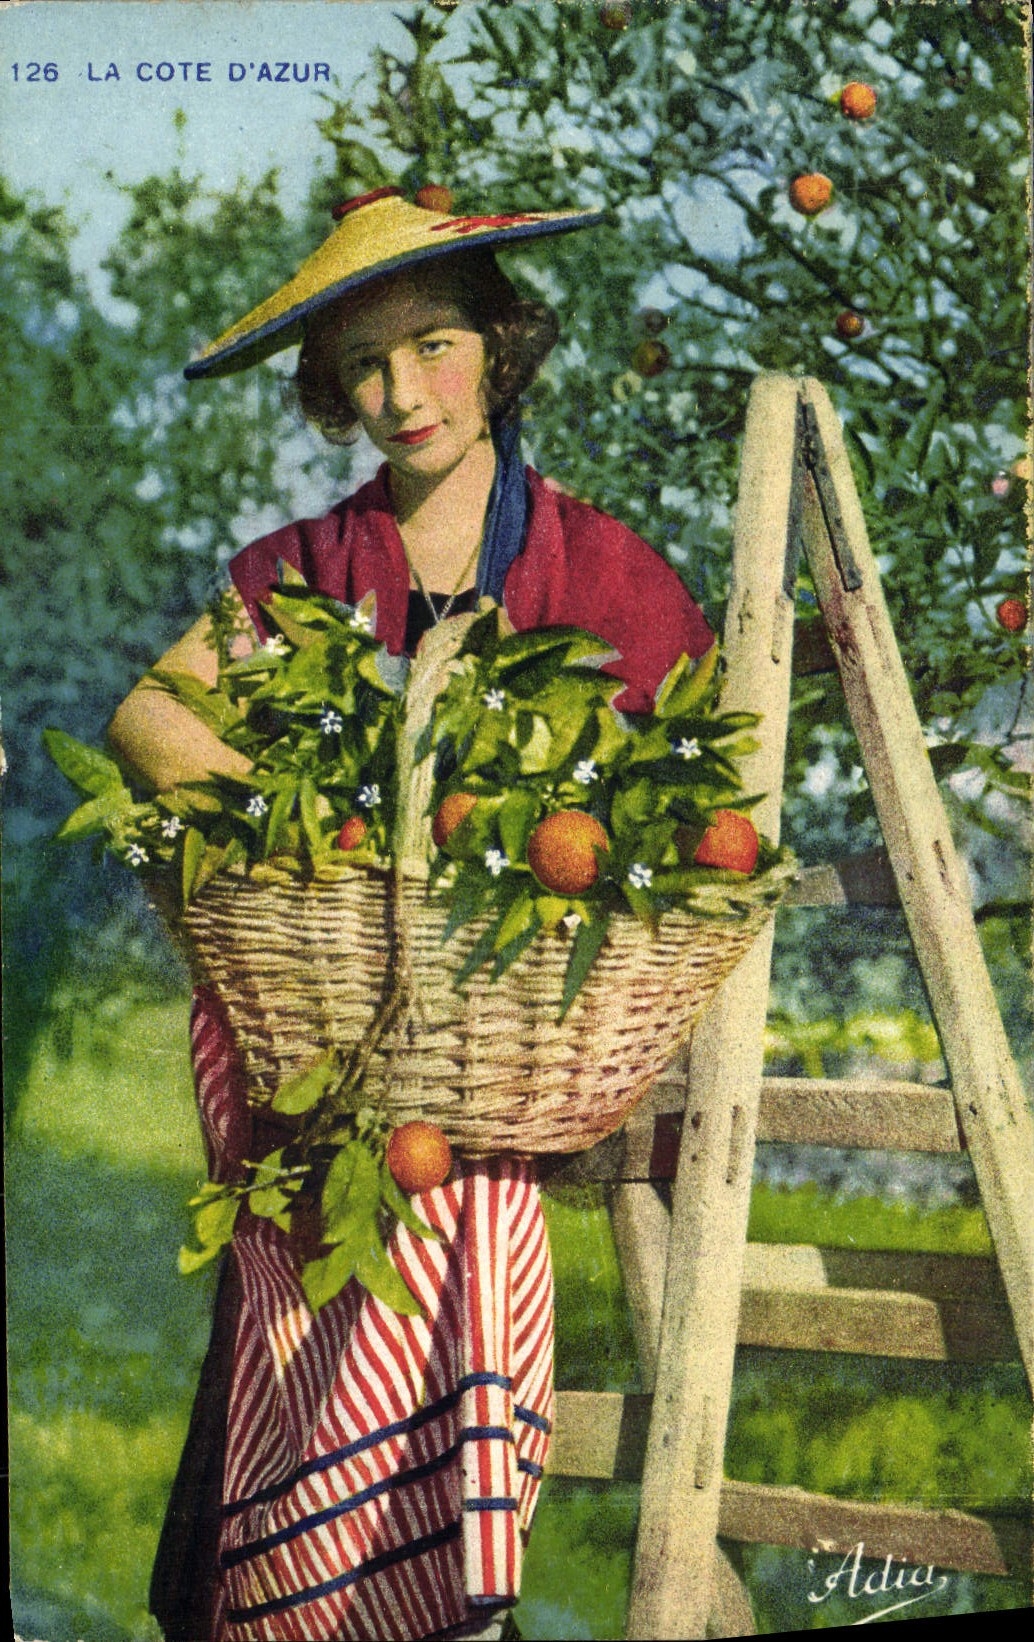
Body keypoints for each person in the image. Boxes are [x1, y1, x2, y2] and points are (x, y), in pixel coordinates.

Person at [109, 188, 714, 1642]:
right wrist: (313, 824)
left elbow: (681, 813)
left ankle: (426, 1596)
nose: (402, 392)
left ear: (496, 350)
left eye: (432, 347)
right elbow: (146, 718)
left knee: (459, 1220)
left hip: (502, 1063)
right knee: (319, 1283)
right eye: (365, 366)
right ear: (332, 390)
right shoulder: (305, 575)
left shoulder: (600, 572)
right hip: (326, 1051)